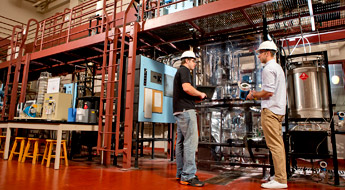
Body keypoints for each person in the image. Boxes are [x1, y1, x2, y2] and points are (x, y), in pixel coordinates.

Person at [246, 41, 287, 189]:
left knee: (274, 145)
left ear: (267, 53)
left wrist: (254, 95)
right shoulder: (278, 68)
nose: (258, 56)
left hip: (270, 110)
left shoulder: (268, 69)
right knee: (278, 145)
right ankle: (279, 176)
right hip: (278, 109)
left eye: (260, 53)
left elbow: (268, 92)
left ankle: (281, 180)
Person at [173, 50, 207, 187]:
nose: (195, 64)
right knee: (190, 142)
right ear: (187, 60)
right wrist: (201, 93)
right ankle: (188, 175)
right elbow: (187, 88)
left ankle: (181, 173)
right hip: (186, 112)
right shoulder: (185, 70)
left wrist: (197, 98)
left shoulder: (180, 72)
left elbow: (185, 92)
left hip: (180, 111)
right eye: (193, 61)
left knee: (181, 143)